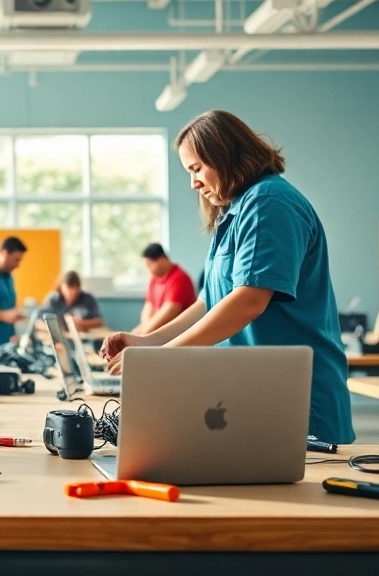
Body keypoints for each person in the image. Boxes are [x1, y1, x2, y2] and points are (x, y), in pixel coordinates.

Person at [101, 110, 355, 445]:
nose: (193, 183)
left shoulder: (269, 202)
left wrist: (162, 358)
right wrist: (148, 343)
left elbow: (248, 301)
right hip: (250, 392)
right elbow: (209, 301)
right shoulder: (234, 213)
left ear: (224, 155)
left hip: (294, 396)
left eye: (196, 169)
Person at [134, 243, 197, 335]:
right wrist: (141, 332)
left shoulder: (180, 278)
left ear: (162, 259)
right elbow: (149, 308)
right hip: (159, 331)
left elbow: (169, 313)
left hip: (179, 333)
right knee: (127, 339)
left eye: (149, 265)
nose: (148, 270)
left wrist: (143, 336)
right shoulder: (154, 278)